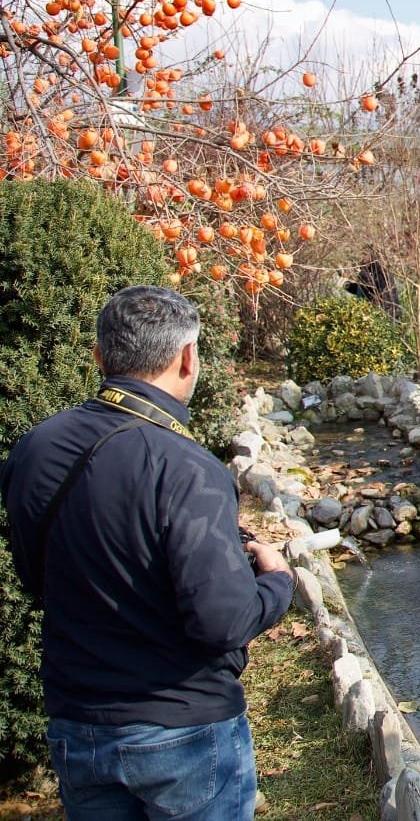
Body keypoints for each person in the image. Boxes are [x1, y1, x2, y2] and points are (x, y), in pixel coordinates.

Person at [1, 286, 292, 819]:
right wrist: (276, 582)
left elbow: (34, 576)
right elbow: (223, 623)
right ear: (188, 358)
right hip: (183, 729)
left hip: (78, 721)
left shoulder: (35, 447)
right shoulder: (186, 466)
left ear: (99, 356)